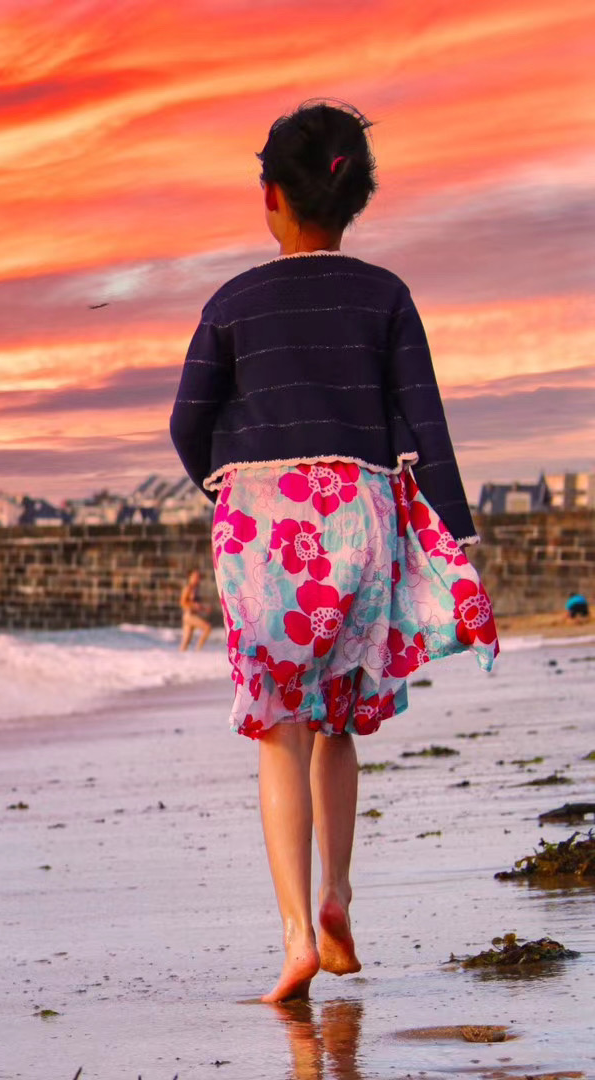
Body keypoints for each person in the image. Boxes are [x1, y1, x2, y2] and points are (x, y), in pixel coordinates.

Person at [168, 101, 499, 1004]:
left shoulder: (231, 304)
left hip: (260, 524)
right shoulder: (385, 295)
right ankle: (339, 899)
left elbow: (185, 422)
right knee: (338, 724)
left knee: (278, 730)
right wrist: (460, 546)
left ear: (268, 195)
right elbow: (424, 427)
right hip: (355, 516)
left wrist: (225, 486)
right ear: (352, 197)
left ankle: (291, 941)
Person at [178, 570, 215, 652]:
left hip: (191, 615)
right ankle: (198, 650)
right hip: (189, 615)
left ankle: (179, 659)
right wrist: (193, 605)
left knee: (186, 641)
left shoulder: (195, 589)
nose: (196, 579)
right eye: (194, 577)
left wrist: (205, 609)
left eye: (198, 577)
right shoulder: (188, 588)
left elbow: (196, 605)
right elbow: (182, 602)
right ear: (190, 578)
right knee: (207, 628)